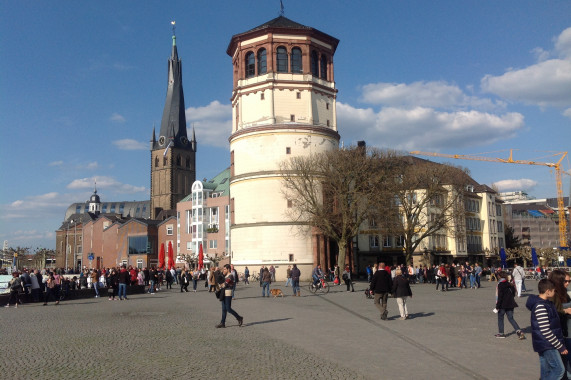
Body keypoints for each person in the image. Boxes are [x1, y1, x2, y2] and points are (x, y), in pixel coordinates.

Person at [526, 279, 568, 380]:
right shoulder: (541, 306)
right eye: (554, 290)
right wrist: (560, 346)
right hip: (548, 344)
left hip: (544, 343)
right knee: (559, 370)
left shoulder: (547, 303)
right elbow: (545, 330)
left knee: (546, 370)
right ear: (548, 291)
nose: (555, 292)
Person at [494, 271, 525, 339]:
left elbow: (500, 296)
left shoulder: (500, 284)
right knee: (511, 318)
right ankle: (519, 331)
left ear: (499, 276)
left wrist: (497, 306)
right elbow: (513, 294)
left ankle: (501, 333)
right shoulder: (510, 284)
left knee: (500, 318)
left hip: (502, 305)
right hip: (510, 303)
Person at [216, 264, 244, 328]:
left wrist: (220, 285)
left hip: (228, 293)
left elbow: (224, 284)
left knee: (228, 308)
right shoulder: (225, 275)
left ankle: (239, 318)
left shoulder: (230, 276)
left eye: (225, 269)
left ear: (228, 269)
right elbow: (220, 282)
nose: (224, 270)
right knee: (223, 309)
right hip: (223, 293)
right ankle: (222, 323)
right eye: (223, 269)